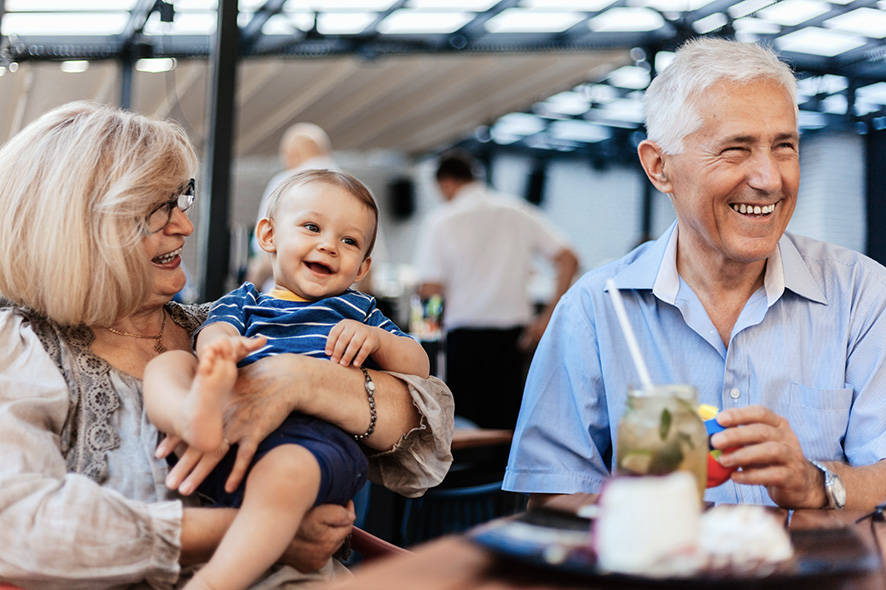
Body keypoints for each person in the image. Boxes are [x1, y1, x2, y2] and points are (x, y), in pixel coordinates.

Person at [0, 101, 454, 589]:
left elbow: (424, 433)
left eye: (182, 200)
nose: (184, 226)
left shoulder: (212, 326)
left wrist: (302, 380)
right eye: (158, 207)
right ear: (78, 226)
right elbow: (17, 525)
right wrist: (262, 530)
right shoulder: (22, 347)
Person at [504, 38, 886, 511]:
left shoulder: (862, 295)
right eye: (736, 149)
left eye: (784, 146)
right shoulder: (596, 308)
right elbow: (550, 495)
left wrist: (816, 484)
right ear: (659, 167)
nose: (769, 178)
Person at [143, 169, 430, 590]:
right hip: (222, 434)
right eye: (312, 227)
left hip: (313, 445)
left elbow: (419, 365)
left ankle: (214, 584)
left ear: (362, 267)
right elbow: (215, 329)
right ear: (269, 236)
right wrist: (218, 352)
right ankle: (189, 416)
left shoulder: (358, 311)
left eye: (349, 241)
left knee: (286, 474)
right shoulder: (245, 300)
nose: (329, 245)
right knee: (167, 365)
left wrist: (376, 341)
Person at [414, 150, 579, 429]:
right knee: (507, 433)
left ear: (445, 183)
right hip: (512, 343)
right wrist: (547, 319)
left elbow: (429, 290)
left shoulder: (441, 220)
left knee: (464, 435)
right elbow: (568, 259)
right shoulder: (516, 211)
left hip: (462, 344)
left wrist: (423, 351)